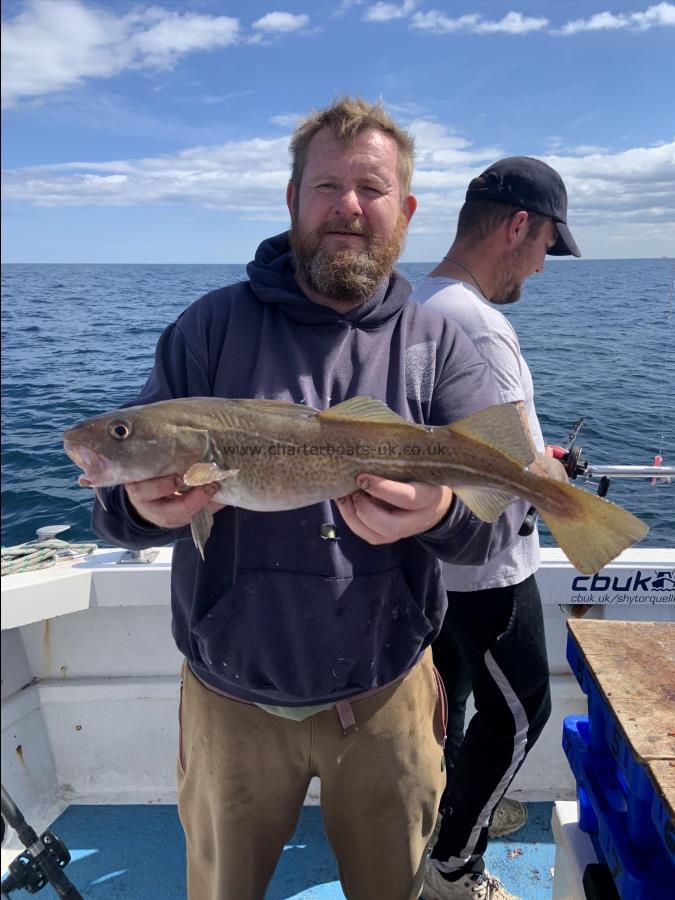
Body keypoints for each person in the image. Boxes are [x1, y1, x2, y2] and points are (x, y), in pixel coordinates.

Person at [91, 98, 525, 900]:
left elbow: (494, 537)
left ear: (406, 209)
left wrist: (438, 514)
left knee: (391, 887)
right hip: (230, 701)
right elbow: (118, 492)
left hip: (389, 691)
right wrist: (140, 510)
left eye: (371, 188)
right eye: (326, 186)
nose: (348, 209)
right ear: (291, 199)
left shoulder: (440, 345)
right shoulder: (208, 329)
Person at [411, 157, 579, 900]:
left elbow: (461, 446)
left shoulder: (417, 305)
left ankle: (426, 832)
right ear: (518, 226)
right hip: (487, 571)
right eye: (546, 244)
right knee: (519, 716)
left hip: (428, 564)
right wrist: (555, 473)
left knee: (447, 712)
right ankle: (452, 865)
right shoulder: (479, 326)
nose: (541, 265)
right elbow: (521, 473)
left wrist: (531, 457)